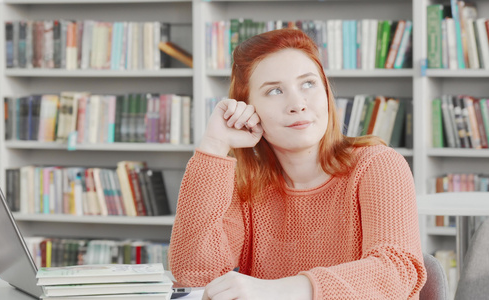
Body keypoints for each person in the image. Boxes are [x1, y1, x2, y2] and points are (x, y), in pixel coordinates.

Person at [168, 28, 426, 299]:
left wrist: (278, 289)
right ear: (247, 108)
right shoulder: (245, 183)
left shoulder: (377, 165)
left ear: (326, 92)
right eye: (275, 90)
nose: (297, 104)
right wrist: (214, 145)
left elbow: (397, 272)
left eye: (308, 84)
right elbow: (195, 273)